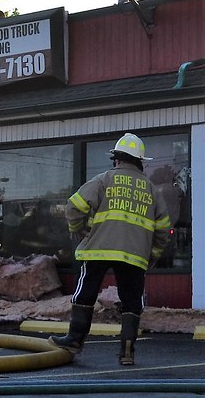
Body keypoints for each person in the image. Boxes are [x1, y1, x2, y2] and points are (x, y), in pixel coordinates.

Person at [51, 133, 171, 366]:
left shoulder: (104, 179)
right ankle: (127, 353)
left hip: (98, 249)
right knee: (131, 301)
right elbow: (163, 230)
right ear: (140, 162)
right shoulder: (152, 190)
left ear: (116, 160)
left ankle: (74, 340)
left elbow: (73, 206)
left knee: (85, 293)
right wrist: (153, 255)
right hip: (135, 255)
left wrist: (77, 229)